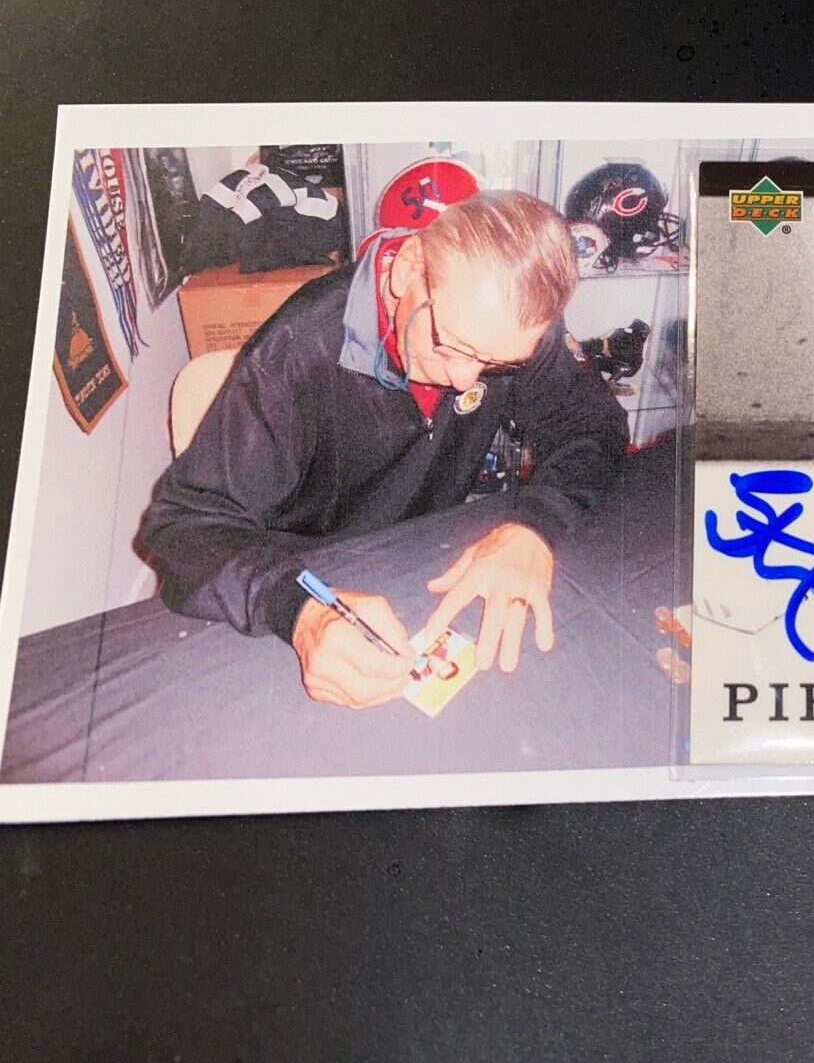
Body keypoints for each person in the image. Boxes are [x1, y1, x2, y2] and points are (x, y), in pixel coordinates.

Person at [138, 190, 628, 708]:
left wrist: (534, 525)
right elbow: (183, 526)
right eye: (452, 345)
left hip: (423, 561)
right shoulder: (294, 357)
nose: (466, 379)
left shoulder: (501, 323)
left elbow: (594, 426)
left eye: (495, 364)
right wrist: (298, 610)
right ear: (407, 268)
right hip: (304, 585)